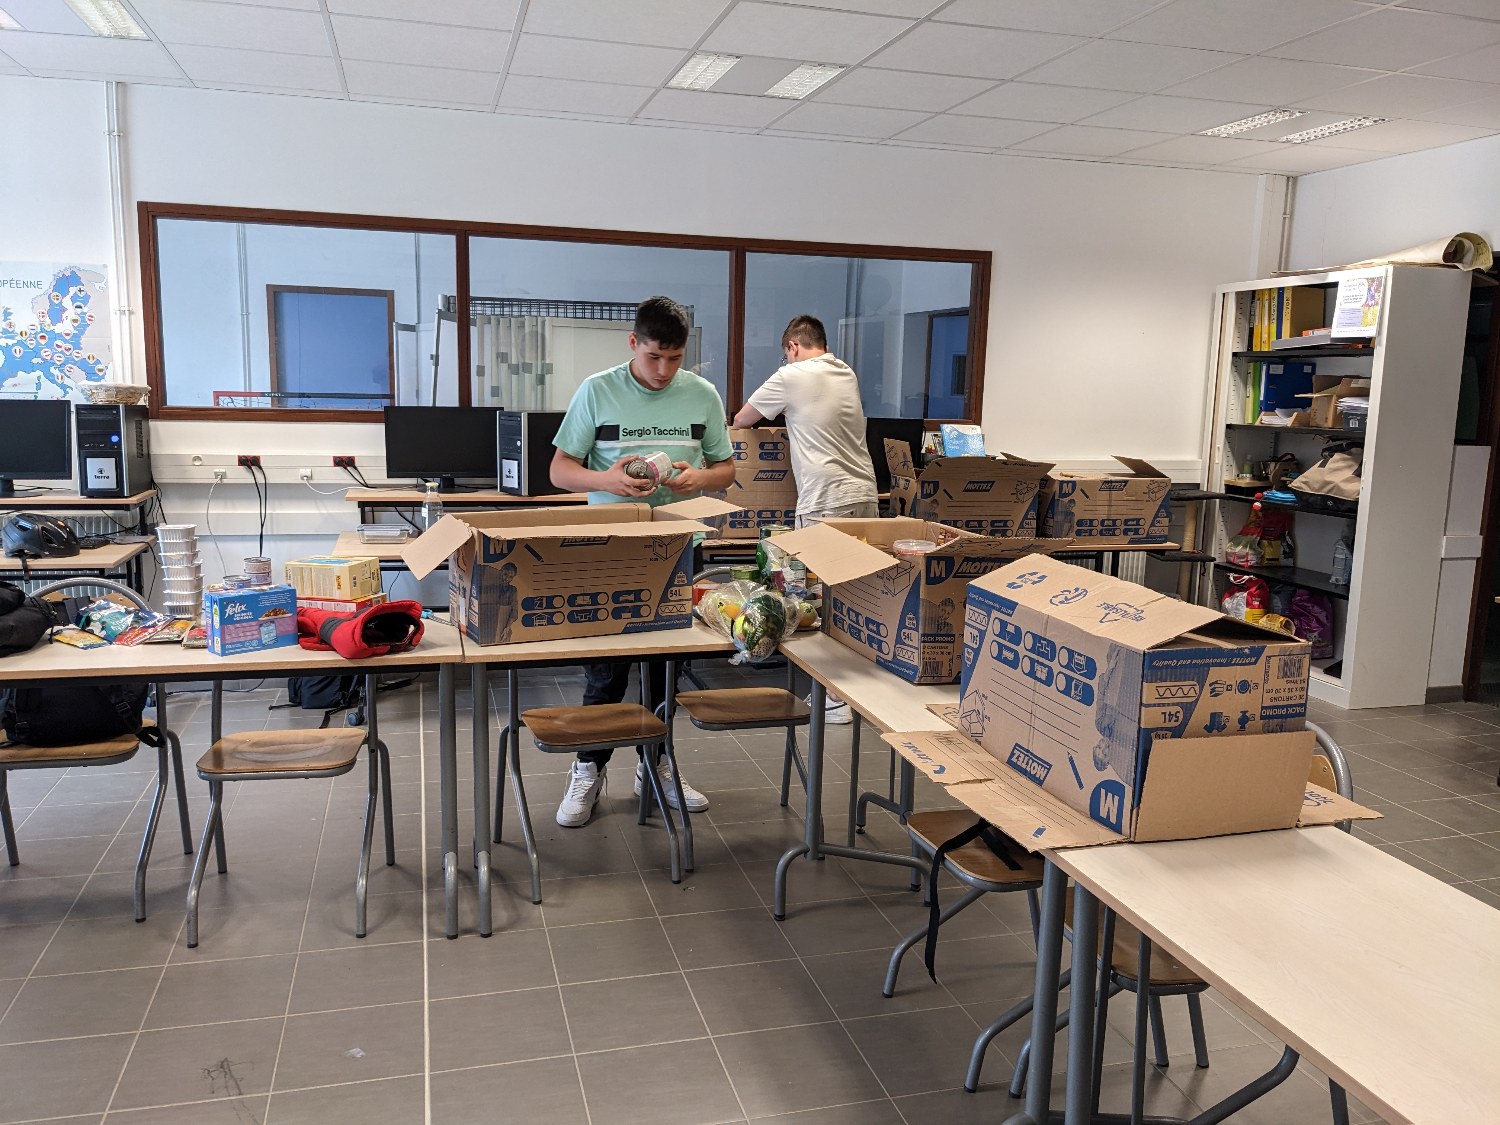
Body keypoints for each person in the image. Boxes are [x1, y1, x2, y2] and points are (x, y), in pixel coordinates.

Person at [549, 296, 736, 828]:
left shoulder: (702, 395)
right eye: (654, 356)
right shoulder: (597, 390)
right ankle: (589, 767)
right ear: (633, 343)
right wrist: (607, 480)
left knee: (665, 667)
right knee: (606, 671)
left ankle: (656, 762)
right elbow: (560, 471)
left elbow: (726, 468)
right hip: (609, 549)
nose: (664, 370)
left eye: (675, 358)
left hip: (677, 547)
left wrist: (700, 478)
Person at [733, 314, 879, 725]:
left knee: (817, 597)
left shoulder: (792, 375)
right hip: (864, 496)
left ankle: (833, 699)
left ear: (793, 347)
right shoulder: (845, 372)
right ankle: (856, 690)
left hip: (824, 499)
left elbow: (743, 420)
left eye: (787, 355)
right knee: (856, 596)